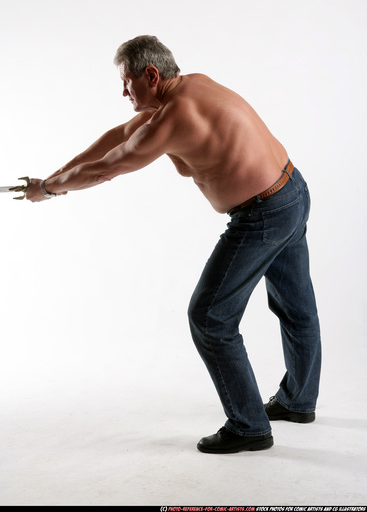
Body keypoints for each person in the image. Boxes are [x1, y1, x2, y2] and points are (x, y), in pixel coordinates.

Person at [26, 35, 321, 454]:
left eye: (126, 81)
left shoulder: (172, 118)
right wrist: (50, 177)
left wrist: (51, 190)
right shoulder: (191, 87)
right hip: (291, 190)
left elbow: (107, 168)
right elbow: (117, 136)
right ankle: (298, 402)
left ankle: (249, 426)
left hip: (263, 214)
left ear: (150, 74)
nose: (123, 91)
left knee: (209, 317)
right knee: (296, 307)